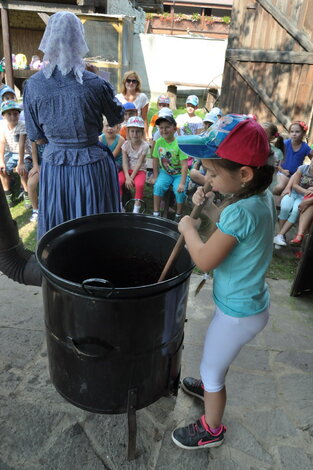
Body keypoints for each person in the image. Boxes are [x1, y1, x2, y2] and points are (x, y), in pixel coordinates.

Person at [171, 114, 275, 450]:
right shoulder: (258, 198)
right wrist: (210, 204)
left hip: (237, 313)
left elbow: (203, 258)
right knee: (216, 356)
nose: (209, 179)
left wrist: (188, 228)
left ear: (244, 174)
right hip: (245, 305)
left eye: (214, 173)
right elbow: (233, 231)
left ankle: (211, 428)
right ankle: (208, 385)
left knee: (212, 369)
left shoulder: (240, 211)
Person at [23, 11, 124, 239]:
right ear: (80, 39)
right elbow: (117, 116)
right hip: (91, 167)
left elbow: (36, 136)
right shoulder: (96, 82)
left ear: (49, 40)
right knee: (96, 230)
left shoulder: (33, 85)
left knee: (59, 234)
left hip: (56, 165)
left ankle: (60, 269)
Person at [151, 114, 189, 222]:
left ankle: (178, 214)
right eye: (161, 128)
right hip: (165, 172)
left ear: (174, 128)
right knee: (158, 186)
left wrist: (182, 182)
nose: (164, 130)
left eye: (167, 127)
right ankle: (156, 212)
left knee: (179, 190)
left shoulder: (179, 143)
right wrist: (155, 176)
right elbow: (155, 159)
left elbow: (184, 165)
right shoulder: (159, 142)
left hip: (179, 174)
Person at [273, 159, 313, 246]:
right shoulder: (302, 168)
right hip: (293, 193)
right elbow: (295, 185)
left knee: (296, 211)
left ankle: (279, 236)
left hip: (303, 198)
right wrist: (306, 191)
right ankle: (281, 236)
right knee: (285, 207)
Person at [0, 100, 32, 208]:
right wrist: (1, 161)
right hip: (10, 153)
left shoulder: (22, 125)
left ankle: (27, 194)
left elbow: (22, 144)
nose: (13, 116)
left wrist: (21, 162)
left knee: (22, 170)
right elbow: (2, 143)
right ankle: (8, 194)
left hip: (25, 153)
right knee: (1, 170)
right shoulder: (2, 126)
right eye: (9, 114)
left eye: (15, 113)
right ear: (3, 116)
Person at [118, 116, 149, 213]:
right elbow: (124, 162)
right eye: (132, 131)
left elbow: (139, 163)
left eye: (138, 131)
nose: (135, 134)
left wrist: (131, 177)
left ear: (142, 132)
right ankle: (119, 205)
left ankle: (136, 208)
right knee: (118, 181)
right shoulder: (125, 145)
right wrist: (127, 176)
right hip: (127, 170)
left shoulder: (145, 146)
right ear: (128, 132)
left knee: (139, 184)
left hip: (139, 171)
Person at [273, 121, 313, 195]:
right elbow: (275, 160)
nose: (294, 134)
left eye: (297, 132)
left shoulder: (305, 147)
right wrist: (282, 170)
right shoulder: (285, 144)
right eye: (292, 132)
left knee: (289, 192)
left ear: (303, 134)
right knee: (280, 187)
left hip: (296, 175)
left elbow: (312, 161)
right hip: (283, 172)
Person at [115, 71, 149, 138]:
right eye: (128, 80)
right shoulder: (117, 98)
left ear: (137, 83)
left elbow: (144, 119)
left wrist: (146, 136)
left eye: (134, 81)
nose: (131, 83)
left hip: (136, 132)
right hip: (120, 133)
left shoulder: (142, 97)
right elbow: (115, 119)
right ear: (124, 82)